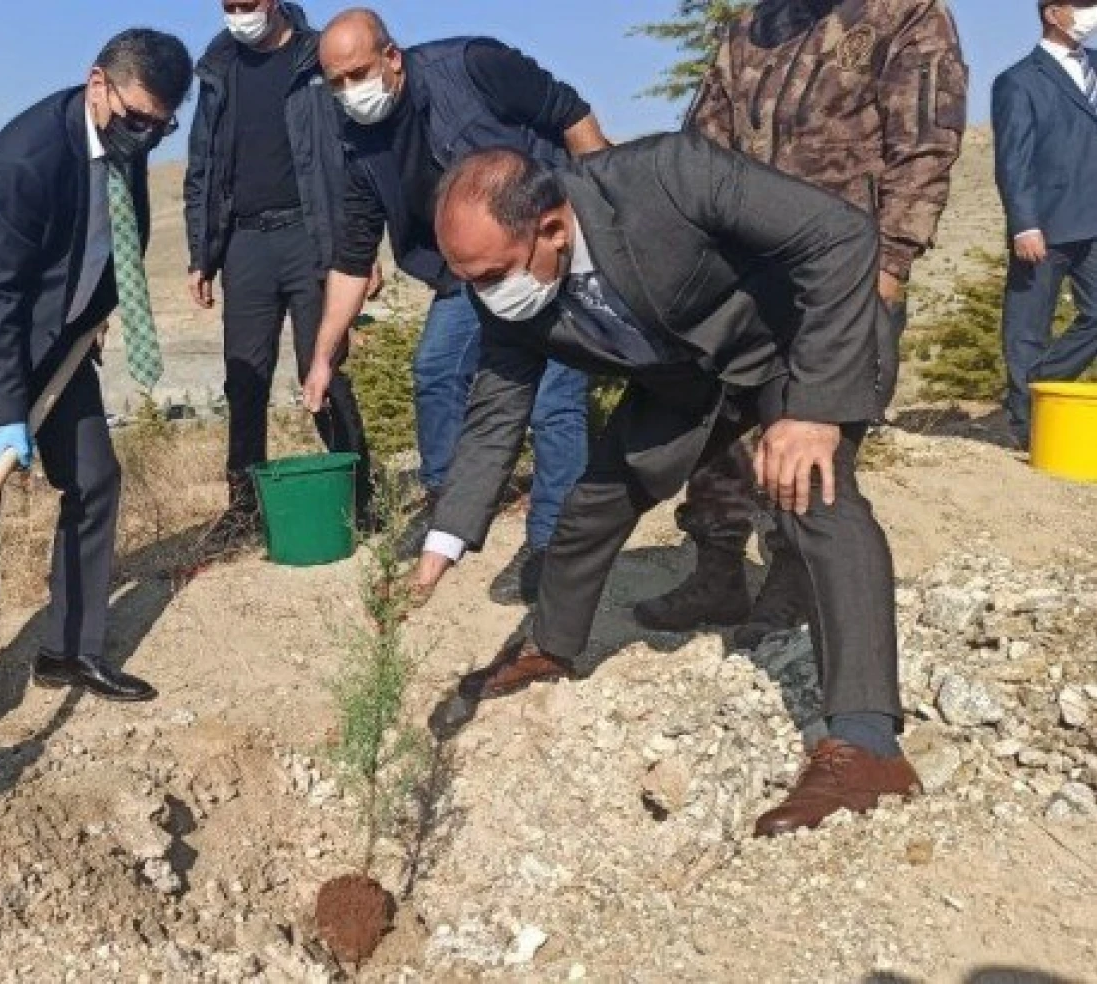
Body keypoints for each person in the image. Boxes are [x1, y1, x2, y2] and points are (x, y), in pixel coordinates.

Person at [415, 138, 920, 837]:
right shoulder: (508, 297)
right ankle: (553, 648)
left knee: (814, 497)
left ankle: (868, 746)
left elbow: (839, 236)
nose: (487, 296)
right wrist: (445, 538)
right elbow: (499, 407)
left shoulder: (669, 178)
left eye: (495, 273)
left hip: (792, 347)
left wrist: (812, 411)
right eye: (469, 279)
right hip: (687, 383)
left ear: (554, 229)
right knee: (597, 498)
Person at [0, 29, 193, 766]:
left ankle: (68, 649)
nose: (149, 136)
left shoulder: (128, 141)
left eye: (163, 124)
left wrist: (90, 316)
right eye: (138, 120)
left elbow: (106, 241)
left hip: (58, 347)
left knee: (95, 480)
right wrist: (5, 415)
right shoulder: (27, 158)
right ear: (98, 85)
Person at [637, 0, 967, 648]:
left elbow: (925, 147)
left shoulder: (907, 14)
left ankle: (792, 582)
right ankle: (717, 571)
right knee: (715, 425)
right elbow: (699, 153)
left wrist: (888, 269)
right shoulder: (746, 33)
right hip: (746, 281)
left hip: (843, 284)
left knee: (812, 439)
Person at [300, 8, 611, 602]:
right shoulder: (357, 144)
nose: (348, 93)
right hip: (467, 276)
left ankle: (553, 543)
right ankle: (451, 507)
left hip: (548, 251)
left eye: (357, 74)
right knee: (437, 370)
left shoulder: (473, 66)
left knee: (553, 401)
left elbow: (569, 111)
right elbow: (350, 258)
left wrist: (603, 207)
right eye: (334, 83)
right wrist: (322, 357)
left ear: (391, 57)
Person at [184, 0, 376, 545]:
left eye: (247, 3)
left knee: (322, 366)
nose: (238, 13)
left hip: (311, 236)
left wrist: (360, 251)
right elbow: (203, 163)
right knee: (244, 376)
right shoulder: (218, 67)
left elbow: (350, 152)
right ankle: (244, 509)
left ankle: (358, 498)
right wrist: (202, 253)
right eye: (229, 5)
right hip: (244, 241)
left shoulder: (317, 58)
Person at [995, 0, 1097, 446]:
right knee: (1028, 326)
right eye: (1084, 5)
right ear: (1053, 13)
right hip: (1044, 225)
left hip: (1094, 220)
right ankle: (1025, 426)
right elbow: (1012, 160)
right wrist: (1024, 224)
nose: (1092, 14)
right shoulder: (1018, 81)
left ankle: (1036, 387)